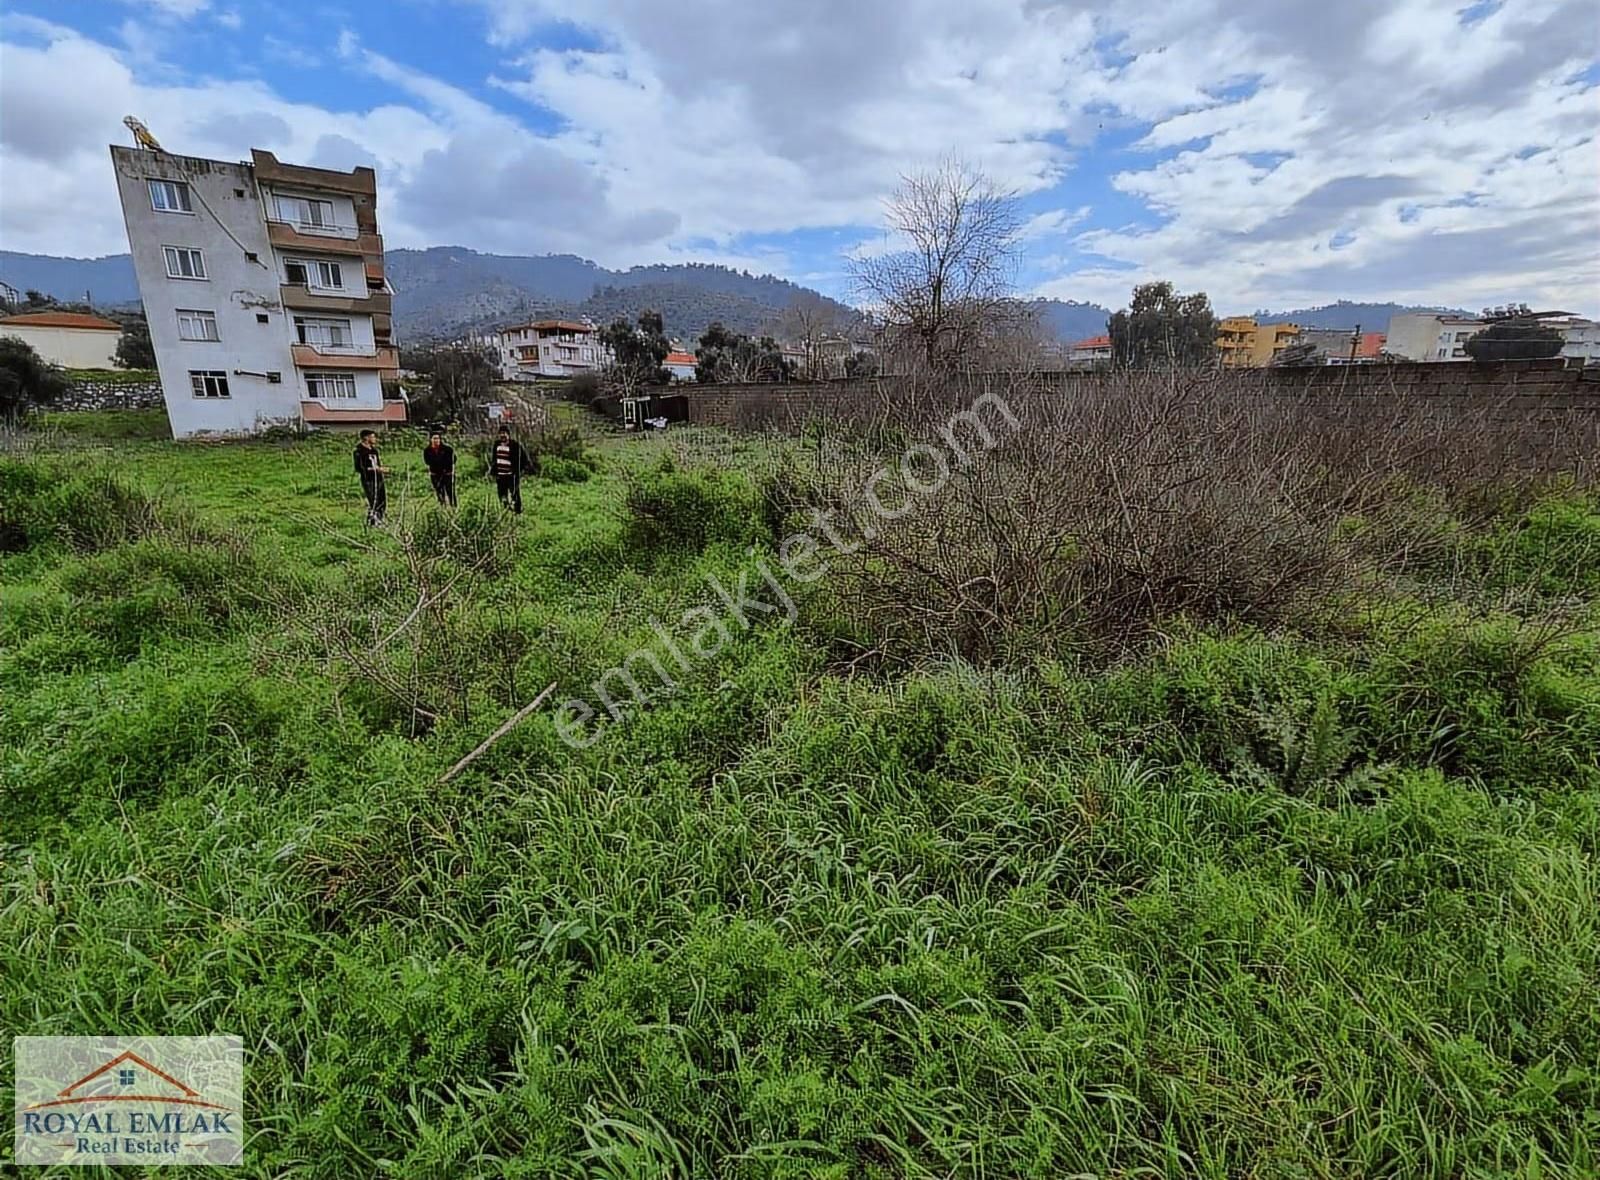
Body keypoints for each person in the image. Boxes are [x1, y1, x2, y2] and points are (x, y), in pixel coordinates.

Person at [353, 429, 389, 525]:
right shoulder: (359, 452)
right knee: (373, 500)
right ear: (366, 438)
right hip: (368, 479)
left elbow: (377, 464)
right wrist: (374, 469)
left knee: (382, 500)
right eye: (373, 437)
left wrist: (381, 470)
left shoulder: (374, 450)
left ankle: (380, 519)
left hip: (379, 478)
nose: (375, 439)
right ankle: (372, 521)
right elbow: (359, 468)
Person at [489, 424, 526, 514]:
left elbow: (524, 458)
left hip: (511, 475)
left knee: (515, 494)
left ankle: (518, 511)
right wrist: (493, 471)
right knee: (502, 495)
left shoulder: (515, 445)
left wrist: (518, 470)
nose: (502, 435)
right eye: (501, 433)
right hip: (500, 476)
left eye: (504, 433)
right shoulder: (496, 445)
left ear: (508, 434)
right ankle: (505, 510)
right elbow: (494, 459)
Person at [422, 431, 456, 506]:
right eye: (434, 438)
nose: (436, 440)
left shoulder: (448, 449)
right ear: (431, 440)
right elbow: (427, 461)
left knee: (450, 492)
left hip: (447, 474)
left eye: (437, 438)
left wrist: (445, 467)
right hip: (435, 474)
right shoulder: (427, 451)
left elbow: (453, 460)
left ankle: (453, 507)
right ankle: (442, 506)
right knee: (439, 491)